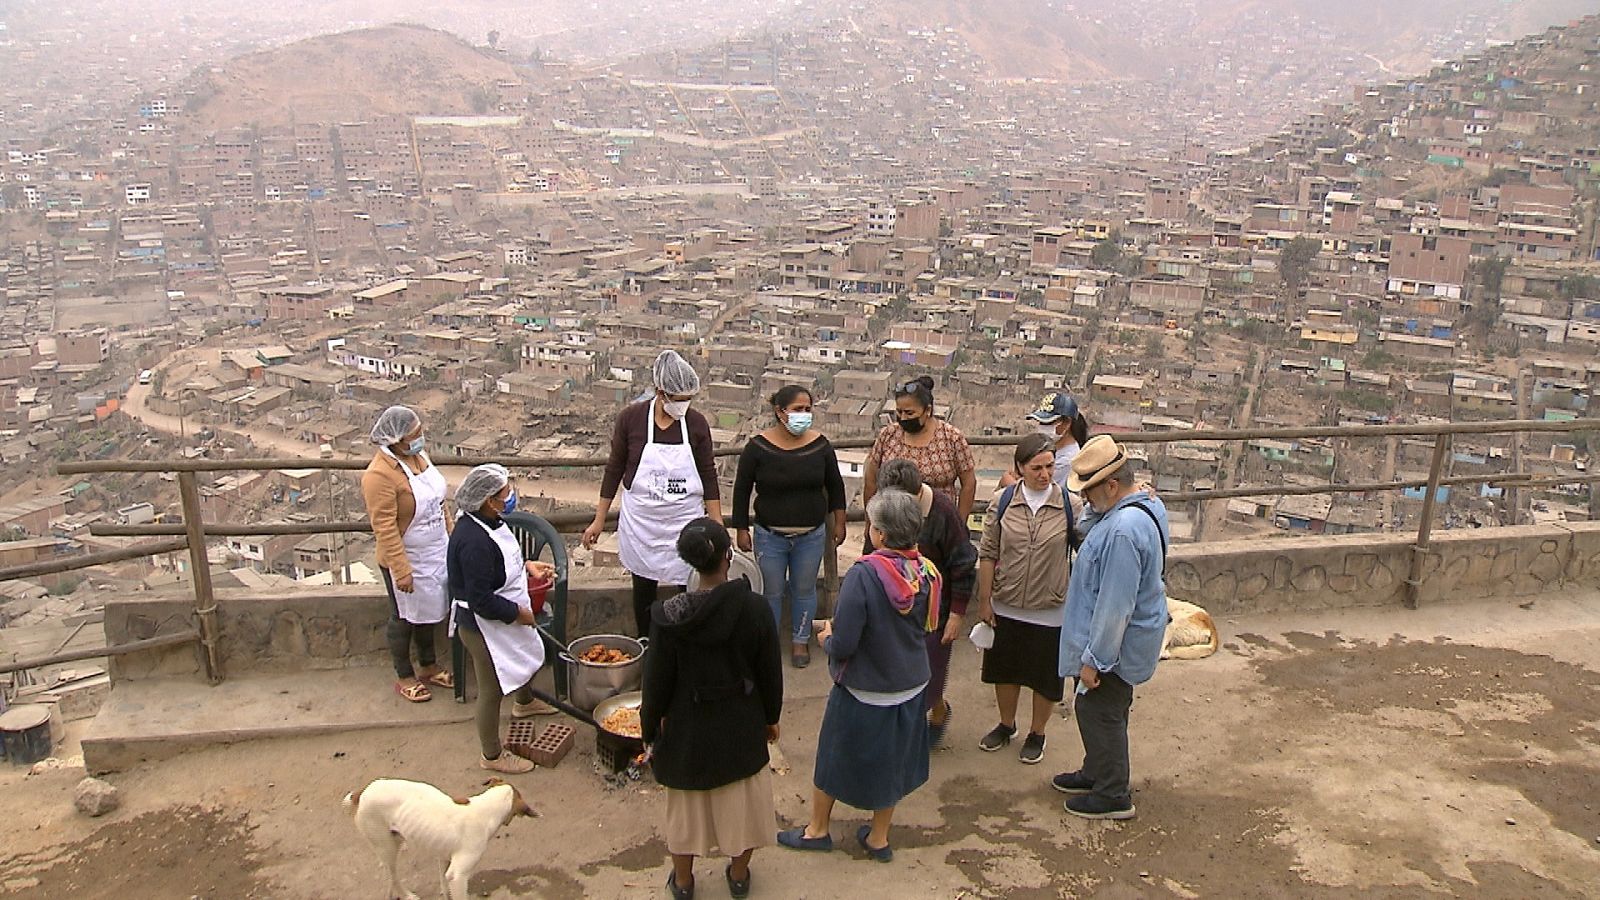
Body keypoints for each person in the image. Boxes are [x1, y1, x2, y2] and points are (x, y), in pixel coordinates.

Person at [778, 491, 937, 863]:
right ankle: (878, 837)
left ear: (879, 533)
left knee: (833, 757)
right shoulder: (925, 572)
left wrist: (826, 639)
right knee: (894, 761)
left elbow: (846, 642)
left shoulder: (864, 576)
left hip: (866, 690)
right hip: (911, 684)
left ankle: (817, 829)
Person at [642, 518, 783, 900]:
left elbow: (655, 683)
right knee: (744, 809)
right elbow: (770, 672)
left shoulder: (668, 617)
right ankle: (738, 876)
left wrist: (649, 729)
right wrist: (771, 718)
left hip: (687, 731)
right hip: (740, 724)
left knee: (685, 815)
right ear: (727, 557)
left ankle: (684, 883)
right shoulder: (754, 609)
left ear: (691, 563)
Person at [1054, 435, 1170, 820]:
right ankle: (1098, 771)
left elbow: (1114, 607)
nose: (1085, 500)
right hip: (1126, 639)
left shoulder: (1122, 532)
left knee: (1098, 711)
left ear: (1112, 485)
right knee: (1109, 710)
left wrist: (1094, 660)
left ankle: (1111, 793)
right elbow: (1091, 526)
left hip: (1113, 646)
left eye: (1090, 491)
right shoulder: (1142, 507)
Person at [582, 350, 723, 637]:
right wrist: (599, 519)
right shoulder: (631, 419)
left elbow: (708, 474)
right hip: (642, 526)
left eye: (688, 399)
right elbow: (614, 469)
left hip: (684, 521)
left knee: (691, 586)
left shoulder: (696, 425)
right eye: (679, 399)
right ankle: (647, 645)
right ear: (661, 392)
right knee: (644, 589)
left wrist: (717, 521)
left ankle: (686, 645)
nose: (684, 405)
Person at [974, 434, 1081, 765]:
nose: (1045, 474)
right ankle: (1006, 725)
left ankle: (1038, 732)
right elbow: (988, 552)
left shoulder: (1070, 506)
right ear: (1019, 468)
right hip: (1006, 602)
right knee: (1005, 670)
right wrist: (985, 599)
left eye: (1050, 466)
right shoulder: (1003, 502)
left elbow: (1086, 552)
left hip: (1050, 607)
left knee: (1044, 677)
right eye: (1036, 468)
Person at [447, 464, 555, 776]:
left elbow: (504, 562)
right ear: (488, 500)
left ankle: (524, 702)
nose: (510, 497)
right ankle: (491, 755)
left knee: (524, 653)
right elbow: (480, 599)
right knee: (491, 687)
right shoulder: (473, 541)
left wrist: (528, 566)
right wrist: (515, 614)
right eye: (505, 493)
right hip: (481, 624)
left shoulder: (490, 521)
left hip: (504, 607)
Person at [730, 385, 847, 668]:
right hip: (770, 536)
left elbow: (836, 487)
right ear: (779, 411)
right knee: (770, 592)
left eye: (808, 410)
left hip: (811, 535)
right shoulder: (757, 447)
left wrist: (840, 522)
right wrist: (742, 528)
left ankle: (799, 641)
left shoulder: (820, 445)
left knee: (804, 590)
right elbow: (742, 489)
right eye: (797, 410)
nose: (804, 415)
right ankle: (768, 644)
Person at [875, 459, 976, 749]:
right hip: (897, 610)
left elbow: (963, 562)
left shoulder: (942, 511)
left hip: (935, 613)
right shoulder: (885, 510)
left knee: (929, 675)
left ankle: (935, 713)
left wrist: (957, 614)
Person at [361, 405, 453, 703]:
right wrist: (401, 570)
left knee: (429, 613)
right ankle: (404, 675)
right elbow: (385, 527)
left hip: (435, 550)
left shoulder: (419, 457)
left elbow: (440, 503)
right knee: (404, 617)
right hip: (407, 555)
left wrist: (452, 536)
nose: (420, 438)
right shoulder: (379, 475)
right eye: (414, 435)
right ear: (396, 439)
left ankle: (428, 666)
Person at [862, 375, 977, 523]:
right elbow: (871, 479)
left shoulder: (951, 438)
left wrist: (959, 524)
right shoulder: (888, 435)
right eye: (899, 412)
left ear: (927, 410)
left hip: (938, 526)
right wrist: (870, 523)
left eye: (909, 413)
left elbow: (969, 484)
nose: (903, 418)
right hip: (894, 526)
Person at [1002, 392, 1090, 491]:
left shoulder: (1066, 462)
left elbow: (1039, 494)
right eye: (1041, 422)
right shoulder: (1053, 450)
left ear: (1066, 423)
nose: (1043, 427)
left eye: (1048, 422)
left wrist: (1010, 485)